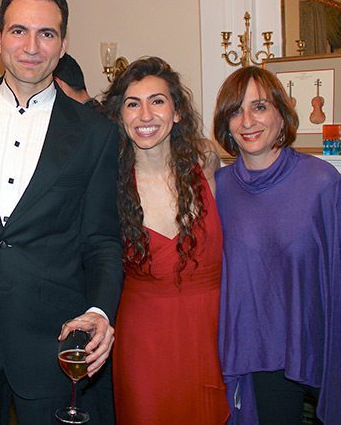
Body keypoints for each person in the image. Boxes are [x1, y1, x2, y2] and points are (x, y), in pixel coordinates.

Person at [0, 0, 122, 424]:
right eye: (19, 31)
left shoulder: (95, 133)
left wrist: (98, 311)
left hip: (53, 341)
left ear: (62, 44)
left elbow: (102, 240)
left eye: (46, 33)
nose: (31, 46)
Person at [213, 66, 341, 424]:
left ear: (281, 113)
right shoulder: (220, 188)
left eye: (259, 107)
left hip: (328, 341)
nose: (247, 121)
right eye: (235, 110)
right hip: (262, 354)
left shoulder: (321, 180)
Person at [102, 57, 228, 424]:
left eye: (157, 101)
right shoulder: (107, 184)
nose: (145, 114)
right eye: (132, 103)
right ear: (120, 117)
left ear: (176, 112)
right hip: (144, 343)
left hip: (213, 333)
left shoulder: (206, 164)